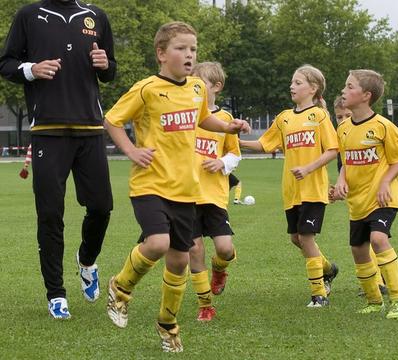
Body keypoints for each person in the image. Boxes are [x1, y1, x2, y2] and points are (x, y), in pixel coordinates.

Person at [103, 22, 249, 352]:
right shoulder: (147, 89)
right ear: (161, 54)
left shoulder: (197, 88)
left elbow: (202, 119)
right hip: (150, 184)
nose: (189, 54)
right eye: (182, 48)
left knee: (180, 261)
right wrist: (131, 150)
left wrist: (228, 126)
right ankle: (120, 288)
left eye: (193, 49)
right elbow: (112, 120)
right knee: (156, 243)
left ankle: (168, 323)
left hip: (187, 189)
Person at [0, 0, 116, 319]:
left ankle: (87, 259)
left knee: (102, 207)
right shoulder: (28, 15)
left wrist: (105, 63)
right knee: (50, 214)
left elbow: (110, 72)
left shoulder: (95, 16)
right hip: (48, 130)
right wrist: (31, 70)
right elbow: (6, 63)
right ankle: (56, 294)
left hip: (91, 128)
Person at [240, 64, 339, 308]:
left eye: (297, 83)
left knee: (306, 238)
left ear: (313, 88)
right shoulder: (284, 118)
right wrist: (234, 140)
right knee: (296, 238)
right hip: (291, 190)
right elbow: (264, 144)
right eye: (292, 82)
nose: (291, 86)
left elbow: (333, 150)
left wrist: (308, 169)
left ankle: (319, 295)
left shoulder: (319, 116)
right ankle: (328, 268)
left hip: (313, 188)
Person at [333, 69, 398, 320]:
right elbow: (345, 161)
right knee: (358, 250)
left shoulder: (385, 128)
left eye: (349, 86)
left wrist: (386, 182)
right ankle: (374, 300)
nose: (344, 90)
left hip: (383, 198)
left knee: (378, 238)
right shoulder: (343, 128)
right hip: (358, 201)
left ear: (366, 95)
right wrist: (341, 180)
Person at [188, 61, 241, 321]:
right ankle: (205, 305)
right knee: (194, 249)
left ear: (216, 87)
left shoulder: (225, 120)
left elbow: (235, 154)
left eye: (200, 83)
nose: (194, 87)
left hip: (215, 196)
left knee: (225, 249)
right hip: (187, 194)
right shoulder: (186, 115)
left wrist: (222, 162)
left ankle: (220, 270)